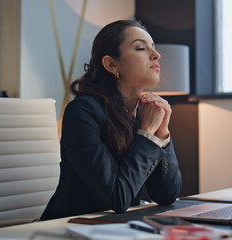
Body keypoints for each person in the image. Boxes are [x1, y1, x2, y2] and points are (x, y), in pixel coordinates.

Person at [41, 20, 182, 220]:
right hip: (70, 228)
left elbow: (167, 195)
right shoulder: (82, 112)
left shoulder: (142, 113)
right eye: (141, 48)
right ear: (111, 64)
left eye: (154, 48)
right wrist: (147, 134)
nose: (156, 55)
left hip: (118, 227)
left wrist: (162, 135)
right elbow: (118, 198)